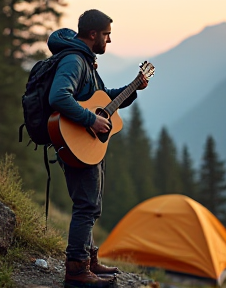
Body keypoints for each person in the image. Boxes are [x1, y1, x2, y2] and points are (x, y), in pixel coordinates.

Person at [47, 9, 148, 288]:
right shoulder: (74, 60)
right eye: (107, 35)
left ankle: (89, 262)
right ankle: (77, 271)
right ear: (93, 34)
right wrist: (91, 120)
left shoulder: (87, 62)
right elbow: (58, 96)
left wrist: (134, 87)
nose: (109, 41)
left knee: (93, 206)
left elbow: (104, 101)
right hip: (76, 140)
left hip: (89, 145)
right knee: (86, 205)